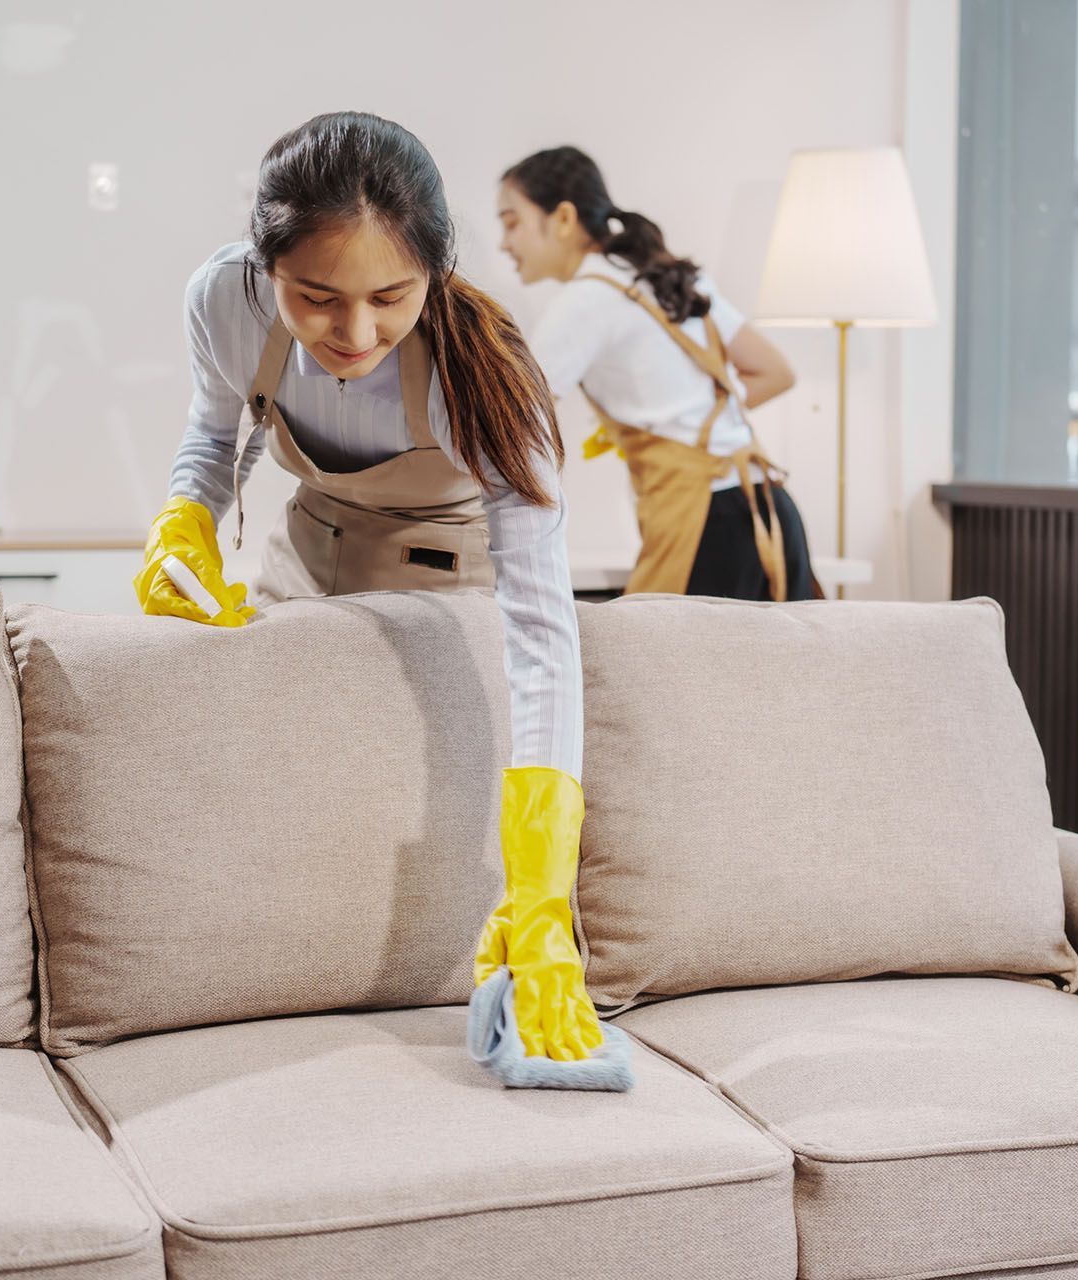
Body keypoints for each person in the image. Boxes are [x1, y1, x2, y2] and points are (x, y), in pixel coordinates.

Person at [134, 112, 598, 1063]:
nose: (355, 333)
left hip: (446, 588)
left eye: (391, 297)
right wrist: (185, 516)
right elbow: (216, 432)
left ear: (436, 267)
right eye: (316, 297)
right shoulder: (223, 300)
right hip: (307, 557)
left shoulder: (490, 377)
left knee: (390, 796)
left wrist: (545, 888)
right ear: (267, 265)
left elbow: (544, 629)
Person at [499, 145, 817, 600]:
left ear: (564, 218)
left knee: (665, 648)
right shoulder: (666, 275)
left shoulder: (584, 301)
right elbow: (774, 372)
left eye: (512, 222)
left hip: (706, 526)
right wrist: (693, 420)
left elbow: (510, 418)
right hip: (770, 507)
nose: (504, 243)